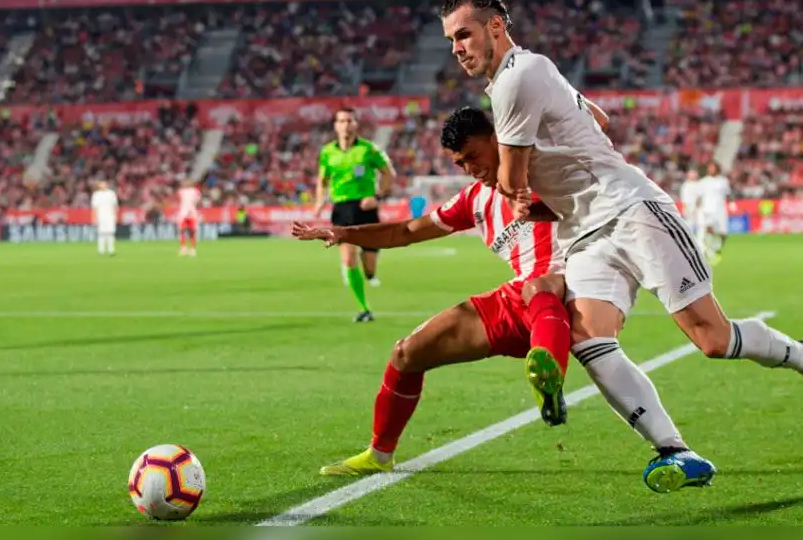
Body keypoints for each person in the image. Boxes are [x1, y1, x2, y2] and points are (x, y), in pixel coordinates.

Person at [439, 0, 803, 493]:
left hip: (632, 210)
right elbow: (600, 117)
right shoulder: (527, 73)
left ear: (496, 26)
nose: (457, 48)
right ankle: (677, 452)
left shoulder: (515, 79)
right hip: (585, 233)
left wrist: (521, 185)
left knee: (711, 338)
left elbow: (510, 180)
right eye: (451, 40)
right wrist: (559, 183)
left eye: (464, 34)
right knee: (589, 337)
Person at [291, 108, 688, 484]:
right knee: (406, 354)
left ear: (499, 140)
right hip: (520, 300)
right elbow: (407, 232)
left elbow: (593, 127)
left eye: (474, 156)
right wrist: (344, 232)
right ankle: (379, 454)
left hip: (573, 292)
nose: (469, 169)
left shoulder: (547, 169)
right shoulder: (474, 200)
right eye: (460, 163)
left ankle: (552, 379)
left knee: (540, 284)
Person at [315, 107, 397, 323]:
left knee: (369, 265)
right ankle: (364, 308)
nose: (345, 124)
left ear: (355, 124)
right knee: (348, 258)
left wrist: (377, 197)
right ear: (335, 125)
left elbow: (389, 174)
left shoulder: (369, 149)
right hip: (341, 209)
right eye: (341, 120)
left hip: (366, 209)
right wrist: (319, 201)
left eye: (349, 120)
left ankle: (369, 274)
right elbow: (322, 181)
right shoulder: (327, 152)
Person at [696, 162, 732, 266]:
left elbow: (728, 194)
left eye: (712, 167)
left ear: (717, 169)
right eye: (709, 168)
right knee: (709, 229)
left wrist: (731, 204)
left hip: (720, 209)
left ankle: (716, 249)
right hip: (708, 209)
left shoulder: (723, 181)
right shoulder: (703, 181)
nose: (710, 169)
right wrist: (697, 208)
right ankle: (709, 251)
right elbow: (699, 196)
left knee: (723, 233)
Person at [90, 180, 118, 256]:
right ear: (99, 186)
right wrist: (94, 218)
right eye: (101, 184)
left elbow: (115, 206)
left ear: (107, 185)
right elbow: (94, 208)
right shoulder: (96, 194)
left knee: (110, 233)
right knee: (101, 234)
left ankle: (111, 250)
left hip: (110, 216)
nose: (103, 186)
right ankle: (101, 250)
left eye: (104, 184)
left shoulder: (111, 194)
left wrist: (115, 216)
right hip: (100, 216)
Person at [176, 179, 201, 257]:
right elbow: (198, 201)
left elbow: (178, 199)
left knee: (184, 231)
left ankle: (186, 249)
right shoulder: (196, 191)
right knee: (190, 232)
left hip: (185, 213)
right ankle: (189, 249)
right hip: (190, 213)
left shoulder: (181, 191)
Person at [678, 168, 702, 240]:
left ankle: (699, 240)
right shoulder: (686, 185)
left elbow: (700, 196)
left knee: (699, 225)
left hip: (698, 208)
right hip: (689, 207)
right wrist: (686, 208)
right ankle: (690, 240)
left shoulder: (699, 184)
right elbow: (684, 199)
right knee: (690, 224)